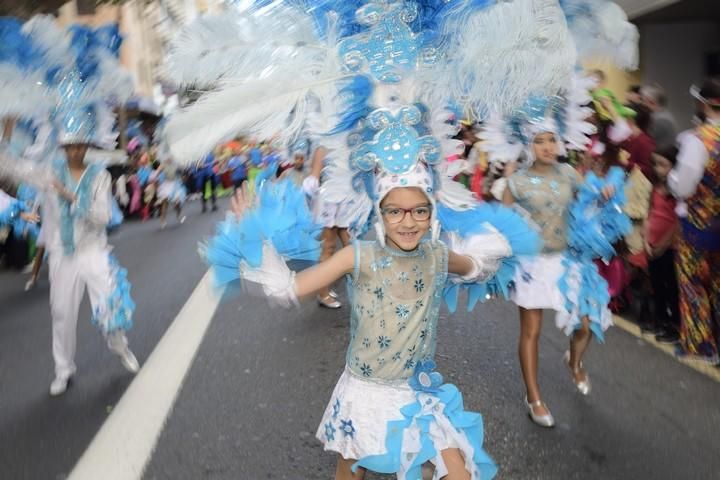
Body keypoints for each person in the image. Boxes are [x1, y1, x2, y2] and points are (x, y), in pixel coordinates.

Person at [211, 158, 509, 479]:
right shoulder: (359, 255)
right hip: (366, 395)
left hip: (417, 394)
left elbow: (477, 267)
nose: (408, 222)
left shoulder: (437, 254)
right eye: (395, 211)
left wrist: (485, 244)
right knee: (353, 471)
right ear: (379, 212)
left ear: (431, 212)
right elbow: (290, 288)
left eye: (419, 210)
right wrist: (254, 235)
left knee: (458, 473)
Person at [503, 119, 625, 428]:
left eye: (551, 140)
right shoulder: (516, 182)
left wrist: (605, 194)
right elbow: (500, 224)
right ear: (529, 146)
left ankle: (574, 360)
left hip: (567, 262)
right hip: (531, 265)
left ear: (559, 144)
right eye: (539, 141)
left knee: (584, 325)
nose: (546, 146)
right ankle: (533, 397)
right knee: (531, 331)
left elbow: (590, 202)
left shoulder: (570, 174)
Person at [43, 139, 139, 395]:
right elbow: (48, 215)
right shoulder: (50, 173)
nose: (75, 151)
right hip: (62, 253)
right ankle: (63, 369)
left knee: (109, 302)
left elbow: (103, 216)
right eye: (69, 146)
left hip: (93, 249)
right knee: (61, 312)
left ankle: (121, 347)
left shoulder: (100, 176)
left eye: (79, 145)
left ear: (86, 145)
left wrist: (70, 195)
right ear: (62, 148)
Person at [669, 79, 720, 364]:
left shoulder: (698, 140)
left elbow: (683, 187)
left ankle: (702, 345)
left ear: (703, 103)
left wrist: (671, 180)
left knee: (694, 283)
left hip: (699, 225)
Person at [640, 146, 680, 344]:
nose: (658, 169)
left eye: (664, 165)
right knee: (657, 285)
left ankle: (674, 325)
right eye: (656, 164)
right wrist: (646, 240)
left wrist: (663, 245)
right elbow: (649, 214)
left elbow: (677, 223)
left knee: (671, 286)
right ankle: (661, 320)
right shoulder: (655, 188)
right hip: (652, 245)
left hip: (669, 247)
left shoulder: (678, 194)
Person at [641, 84, 678, 151]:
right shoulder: (661, 114)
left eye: (644, 100)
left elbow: (643, 140)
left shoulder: (661, 120)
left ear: (652, 102)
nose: (642, 103)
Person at [156, 158, 187, 229]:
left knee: (177, 202)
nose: (169, 157)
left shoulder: (176, 163)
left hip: (175, 184)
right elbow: (156, 174)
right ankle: (162, 221)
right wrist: (157, 176)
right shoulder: (163, 165)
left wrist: (182, 171)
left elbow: (182, 172)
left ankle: (179, 215)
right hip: (166, 185)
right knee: (165, 203)